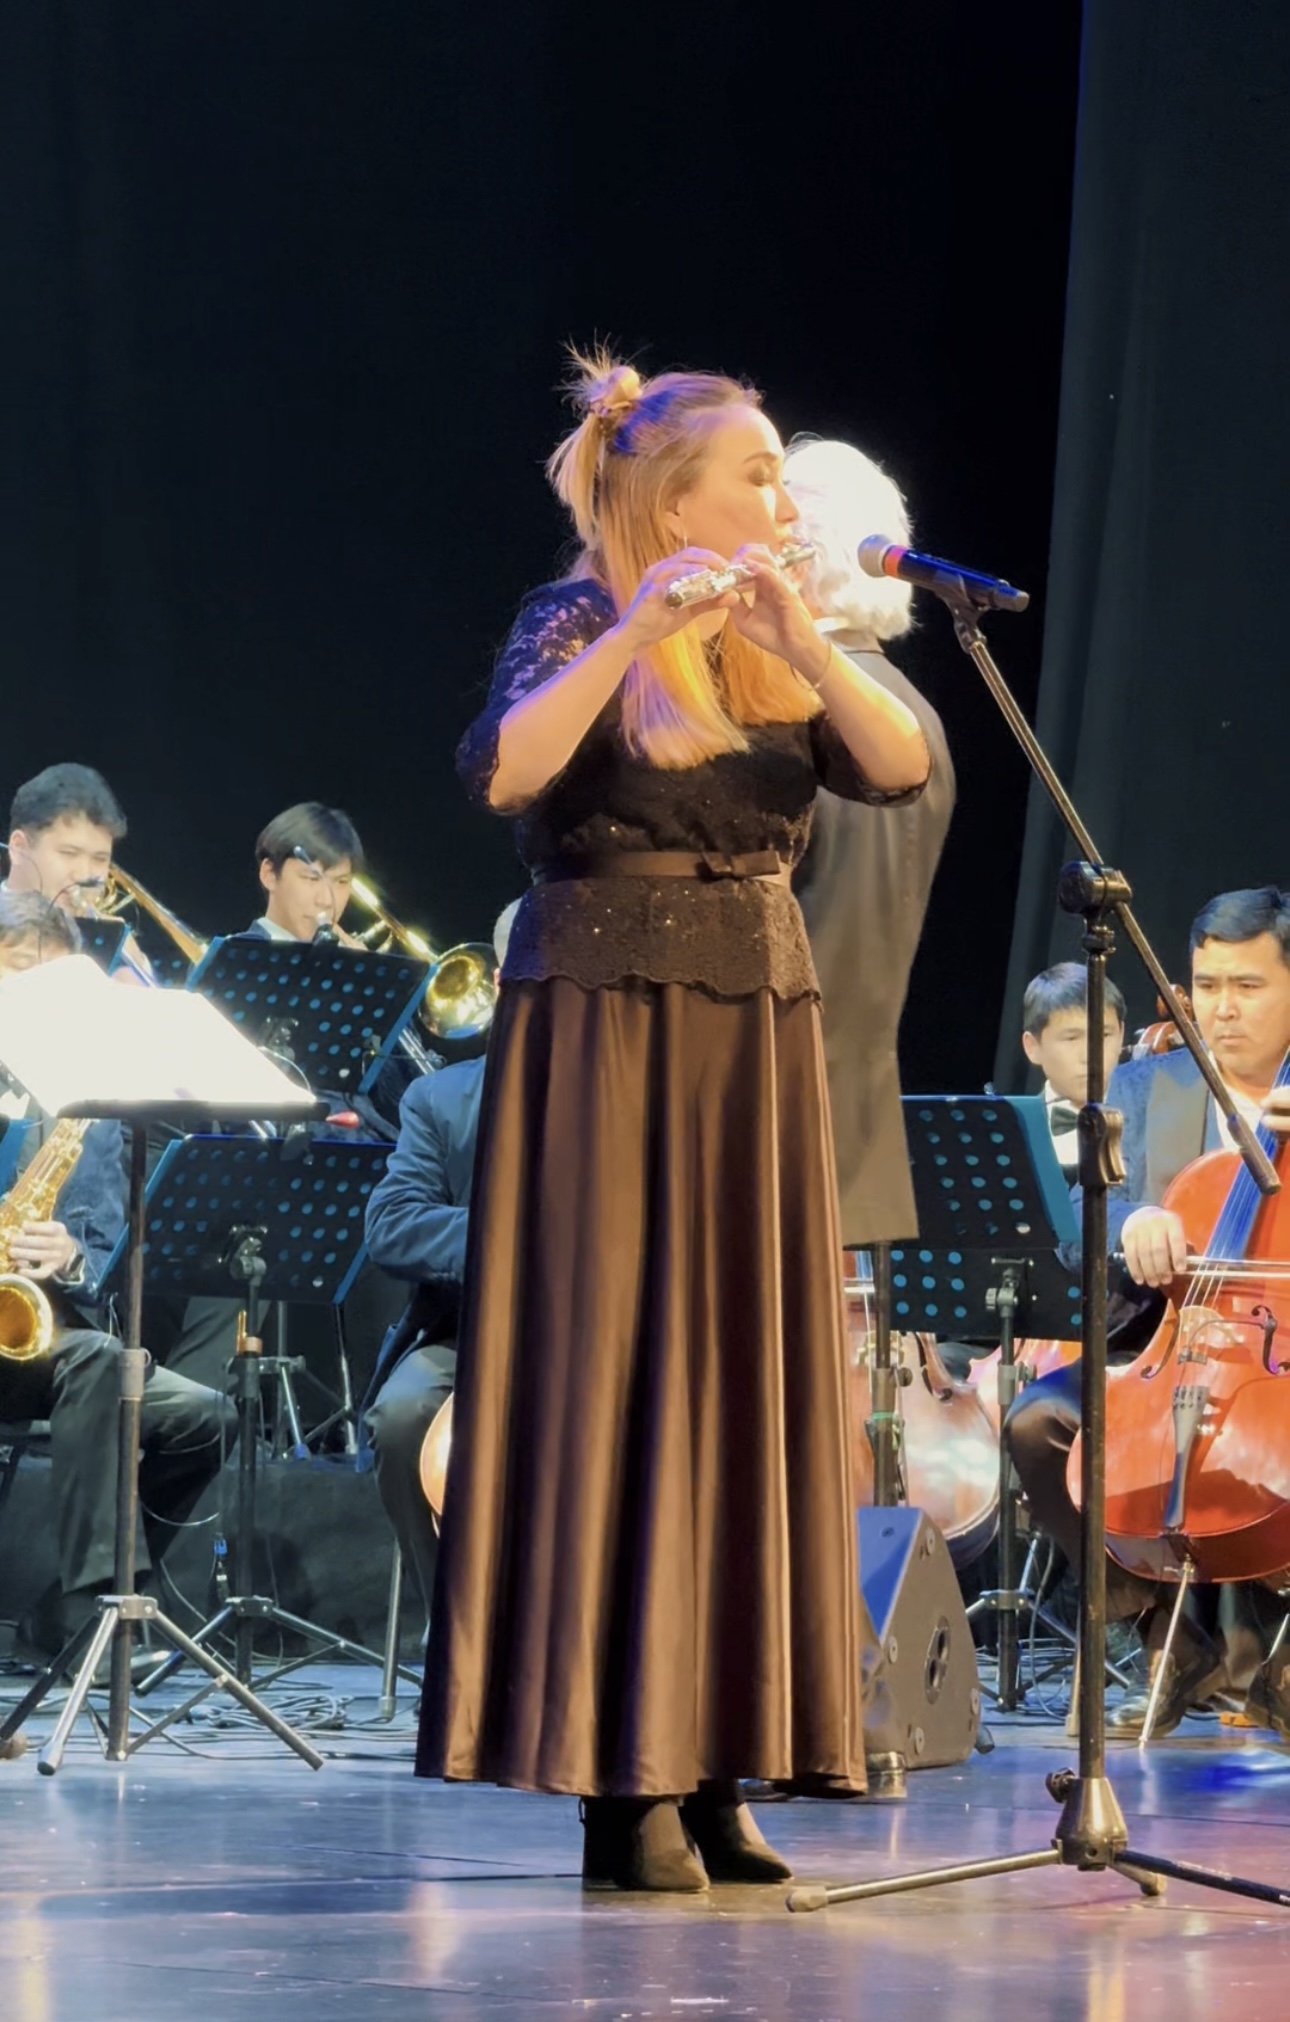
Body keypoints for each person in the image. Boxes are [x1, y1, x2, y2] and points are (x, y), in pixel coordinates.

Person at [418, 350, 931, 1893]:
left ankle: (718, 1768)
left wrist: (800, 635)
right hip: (604, 1029)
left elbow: (898, 765)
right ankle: (617, 1778)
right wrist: (637, 632)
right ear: (670, 495)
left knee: (740, 1387)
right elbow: (502, 770)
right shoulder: (575, 617)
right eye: (758, 472)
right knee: (620, 1380)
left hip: (749, 1031)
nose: (782, 495)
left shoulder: (777, 640)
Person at [1006, 887, 1290, 1736]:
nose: (1222, 1008)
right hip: (1165, 1349)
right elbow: (1078, 1229)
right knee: (1038, 1425)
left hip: (1275, 1357)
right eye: (1207, 986)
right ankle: (1168, 1639)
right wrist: (1131, 1220)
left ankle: (1282, 1672)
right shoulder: (1142, 1083)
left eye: (1248, 986)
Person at [0, 893, 235, 1667]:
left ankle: (71, 1615)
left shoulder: (84, 1102)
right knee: (103, 1365)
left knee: (205, 1415)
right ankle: (99, 1619)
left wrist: (70, 1254)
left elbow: (103, 1258)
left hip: (39, 1341)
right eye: (15, 969)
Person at [784, 438, 956, 1243]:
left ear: (798, 554)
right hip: (854, 1136)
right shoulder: (910, 713)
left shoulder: (803, 711)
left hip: (766, 1116)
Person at [361, 903, 518, 1625]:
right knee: (403, 1418)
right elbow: (392, 1226)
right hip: (471, 1337)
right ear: (502, 981)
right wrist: (516, 1235)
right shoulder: (440, 1096)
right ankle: (453, 1631)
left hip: (612, 1341)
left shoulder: (642, 1086)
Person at [1021, 961, 1127, 1177]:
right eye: (1071, 1038)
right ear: (1033, 1048)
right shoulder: (1015, 1131)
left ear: (1121, 1036)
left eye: (1104, 1035)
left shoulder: (1153, 1126)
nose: (1091, 1057)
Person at [241, 802, 364, 943]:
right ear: (269, 874)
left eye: (341, 881)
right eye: (312, 878)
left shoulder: (346, 954)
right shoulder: (232, 955)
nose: (326, 901)